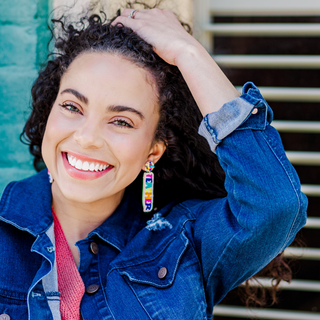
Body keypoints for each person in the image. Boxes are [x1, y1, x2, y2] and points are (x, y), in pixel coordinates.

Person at [0, 4, 307, 320]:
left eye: (121, 121)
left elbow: (274, 205)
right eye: (72, 107)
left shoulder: (182, 243)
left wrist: (189, 54)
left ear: (154, 151)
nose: (87, 137)